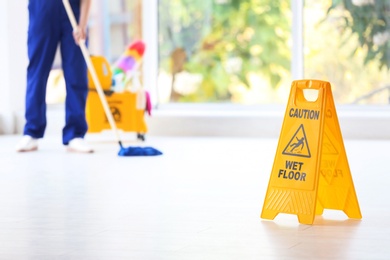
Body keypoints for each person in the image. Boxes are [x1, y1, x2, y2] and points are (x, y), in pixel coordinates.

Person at [15, 0, 93, 153]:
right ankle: (32, 130)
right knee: (37, 71)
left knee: (76, 72)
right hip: (42, 9)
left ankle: (75, 134)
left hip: (73, 12)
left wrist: (82, 24)